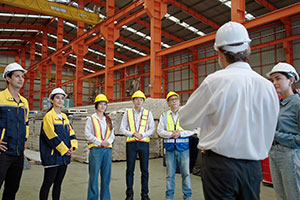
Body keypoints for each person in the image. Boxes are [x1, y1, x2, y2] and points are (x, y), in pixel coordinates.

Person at [179, 21, 279, 200]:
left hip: (220, 166)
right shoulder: (267, 86)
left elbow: (186, 121)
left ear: (219, 53)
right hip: (253, 169)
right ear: (249, 49)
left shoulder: (215, 82)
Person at [266, 62, 300, 200]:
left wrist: (273, 134)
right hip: (274, 154)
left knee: (294, 195)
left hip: (290, 155)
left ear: (291, 80)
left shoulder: (297, 104)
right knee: (281, 196)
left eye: (278, 78)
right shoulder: (278, 105)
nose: (274, 82)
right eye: (273, 80)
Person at [39, 88, 78, 200]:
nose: (60, 100)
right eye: (57, 97)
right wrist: (64, 149)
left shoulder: (65, 117)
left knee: (58, 184)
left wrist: (72, 147)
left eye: (62, 98)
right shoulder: (48, 116)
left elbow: (71, 132)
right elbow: (50, 136)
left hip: (64, 157)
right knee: (47, 184)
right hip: (52, 157)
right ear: (52, 100)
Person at [157, 91, 193, 200]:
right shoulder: (164, 115)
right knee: (169, 175)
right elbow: (160, 131)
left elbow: (193, 129)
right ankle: (169, 197)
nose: (174, 102)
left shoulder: (186, 114)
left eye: (176, 99)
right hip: (170, 149)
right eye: (171, 100)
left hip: (184, 149)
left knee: (186, 174)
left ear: (179, 101)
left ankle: (187, 196)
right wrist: (171, 134)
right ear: (168, 103)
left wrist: (180, 133)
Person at [0, 62, 29, 200]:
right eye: (17, 76)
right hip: (3, 152)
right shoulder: (0, 98)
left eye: (22, 76)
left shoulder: (24, 102)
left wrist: (25, 140)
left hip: (18, 154)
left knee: (12, 189)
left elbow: (26, 123)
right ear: (8, 78)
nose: (20, 79)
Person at [120, 90, 155, 200]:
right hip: (131, 143)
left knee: (145, 170)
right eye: (136, 99)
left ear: (143, 101)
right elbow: (122, 128)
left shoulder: (148, 113)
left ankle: (145, 194)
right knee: (130, 170)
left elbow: (152, 128)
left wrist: (143, 134)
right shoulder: (127, 113)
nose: (139, 101)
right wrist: (132, 133)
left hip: (144, 143)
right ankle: (129, 194)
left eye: (141, 99)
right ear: (133, 101)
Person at [85, 94, 115, 200]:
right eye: (101, 104)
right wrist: (100, 142)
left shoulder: (108, 119)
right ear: (96, 105)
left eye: (105, 104)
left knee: (106, 177)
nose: (103, 106)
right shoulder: (91, 119)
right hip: (96, 150)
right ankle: (92, 198)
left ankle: (105, 198)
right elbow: (87, 134)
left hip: (107, 150)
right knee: (94, 177)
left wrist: (108, 142)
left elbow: (112, 133)